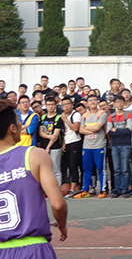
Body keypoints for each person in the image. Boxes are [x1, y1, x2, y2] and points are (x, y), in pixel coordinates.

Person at [0, 99, 68, 257]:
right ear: (12, 128)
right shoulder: (34, 155)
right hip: (33, 248)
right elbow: (58, 205)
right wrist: (62, 224)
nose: (21, 126)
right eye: (19, 122)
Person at [75, 94, 108, 198]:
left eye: (94, 100)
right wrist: (91, 129)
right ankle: (85, 190)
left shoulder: (102, 114)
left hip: (99, 145)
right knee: (87, 169)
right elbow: (80, 130)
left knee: (101, 169)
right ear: (87, 104)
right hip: (87, 146)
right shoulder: (84, 115)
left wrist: (86, 128)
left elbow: (97, 128)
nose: (92, 102)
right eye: (90, 100)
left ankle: (102, 190)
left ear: (97, 102)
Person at [107, 95, 132, 198]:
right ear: (114, 104)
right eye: (117, 102)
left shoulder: (128, 114)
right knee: (117, 169)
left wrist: (116, 130)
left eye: (121, 102)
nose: (120, 104)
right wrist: (122, 131)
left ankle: (125, 189)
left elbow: (129, 130)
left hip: (126, 144)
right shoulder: (112, 116)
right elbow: (109, 132)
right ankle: (117, 189)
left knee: (125, 169)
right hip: (114, 145)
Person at [38, 96, 64, 186]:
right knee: (45, 169)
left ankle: (58, 188)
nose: (50, 107)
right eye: (48, 105)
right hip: (44, 146)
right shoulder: (43, 117)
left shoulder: (58, 117)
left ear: (56, 105)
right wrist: (49, 137)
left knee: (56, 169)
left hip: (55, 147)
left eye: (52, 104)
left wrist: (48, 147)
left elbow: (55, 136)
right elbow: (41, 132)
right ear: (45, 105)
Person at [61, 98, 82, 198]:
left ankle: (73, 188)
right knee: (69, 166)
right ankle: (75, 187)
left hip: (75, 142)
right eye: (63, 104)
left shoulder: (75, 114)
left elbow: (75, 128)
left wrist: (65, 120)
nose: (66, 106)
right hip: (67, 142)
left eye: (67, 104)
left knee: (74, 166)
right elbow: (64, 131)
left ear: (72, 105)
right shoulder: (63, 115)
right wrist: (64, 143)